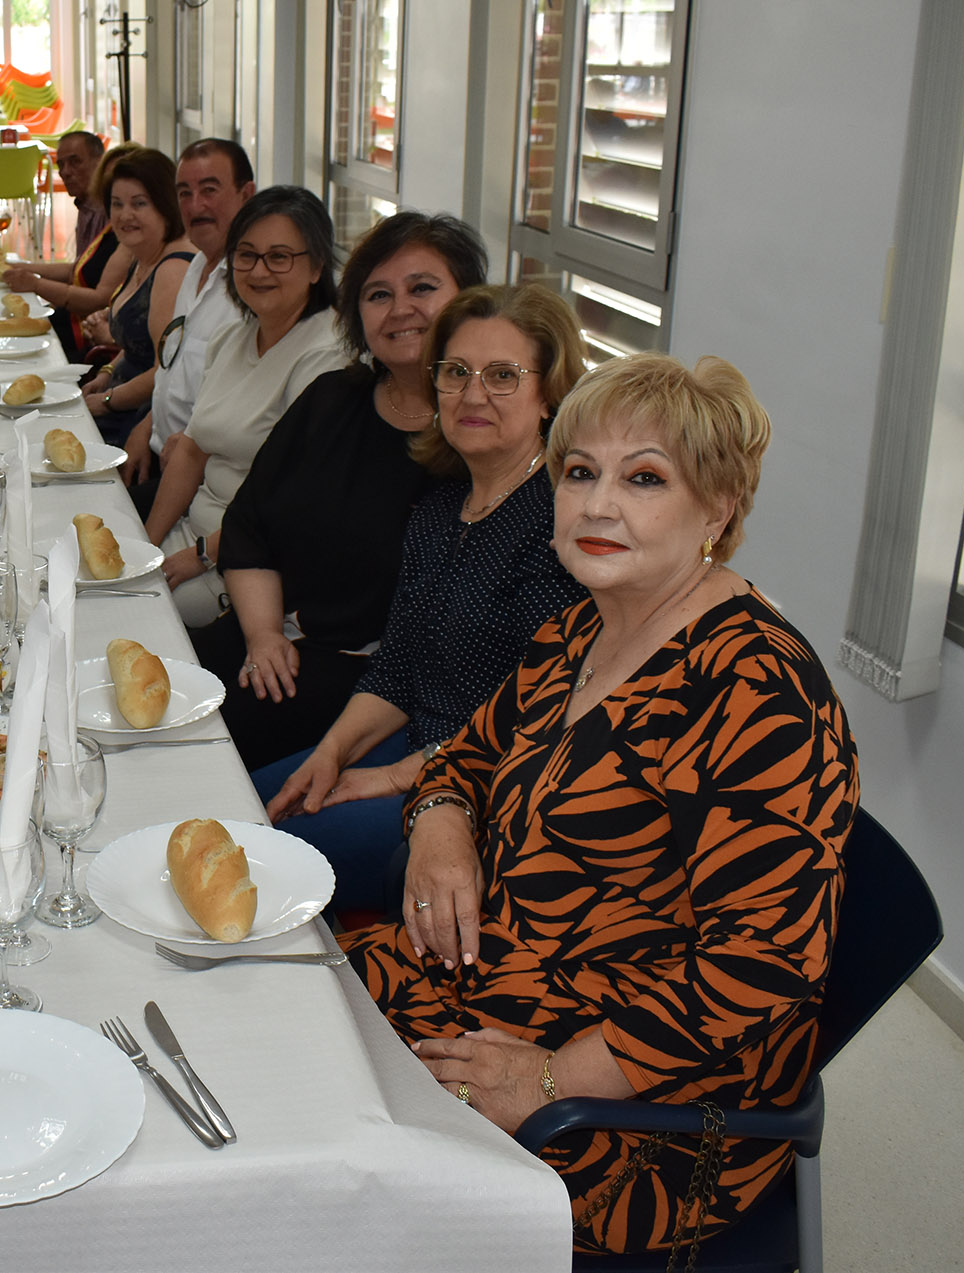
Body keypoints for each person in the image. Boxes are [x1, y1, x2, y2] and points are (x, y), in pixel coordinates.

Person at [342, 353, 858, 1258]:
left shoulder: (754, 689)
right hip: (501, 977)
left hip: (637, 1105)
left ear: (719, 508)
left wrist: (549, 1077)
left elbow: (765, 961)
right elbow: (460, 758)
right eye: (579, 472)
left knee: (319, 1151)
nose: (598, 504)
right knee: (280, 1026)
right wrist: (440, 827)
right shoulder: (583, 623)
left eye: (645, 477)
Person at [263, 283, 590, 911]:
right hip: (416, 743)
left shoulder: (560, 525)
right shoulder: (441, 509)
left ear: (548, 393)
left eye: (502, 376)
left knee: (271, 861)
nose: (472, 395)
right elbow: (399, 667)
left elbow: (533, 719)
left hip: (487, 784)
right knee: (240, 803)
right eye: (456, 372)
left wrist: (389, 777)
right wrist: (332, 753)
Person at [203, 212, 490, 772]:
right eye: (378, 294)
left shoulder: (477, 428)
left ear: (467, 302)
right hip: (264, 634)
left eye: (423, 288)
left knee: (206, 742)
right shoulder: (333, 398)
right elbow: (249, 525)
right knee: (156, 680)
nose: (400, 308)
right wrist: (262, 635)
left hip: (367, 677)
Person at [143, 187, 350, 628]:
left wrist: (200, 555)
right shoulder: (232, 337)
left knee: (140, 619)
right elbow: (192, 452)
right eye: (247, 255)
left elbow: (292, 497)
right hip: (193, 529)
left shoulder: (327, 355)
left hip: (247, 560)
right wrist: (148, 544)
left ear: (315, 266)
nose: (259, 271)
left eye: (279, 257)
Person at [124, 139, 255, 506]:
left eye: (209, 191)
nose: (195, 206)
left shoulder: (253, 288)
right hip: (155, 455)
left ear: (247, 194)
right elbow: (174, 368)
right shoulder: (197, 266)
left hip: (201, 482)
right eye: (185, 192)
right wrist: (146, 426)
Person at [82, 148, 194, 446]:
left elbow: (163, 369)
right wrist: (107, 372)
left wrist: (107, 400)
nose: (124, 215)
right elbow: (139, 344)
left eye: (139, 204)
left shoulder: (173, 269)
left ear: (165, 205)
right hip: (122, 398)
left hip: (143, 419)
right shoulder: (144, 254)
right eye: (117, 204)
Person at [2, 137, 133, 357]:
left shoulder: (123, 229)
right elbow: (79, 269)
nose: (66, 172)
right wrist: (20, 267)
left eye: (75, 162)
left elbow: (99, 299)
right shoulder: (93, 210)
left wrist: (34, 283)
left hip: (90, 339)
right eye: (60, 165)